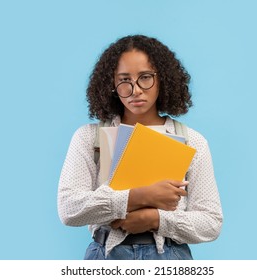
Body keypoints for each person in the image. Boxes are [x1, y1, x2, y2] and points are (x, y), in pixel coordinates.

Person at [57, 35, 223, 260]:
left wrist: (155, 219)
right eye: (124, 79)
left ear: (162, 79)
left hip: (169, 257)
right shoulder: (89, 138)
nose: (135, 89)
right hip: (106, 256)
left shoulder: (193, 141)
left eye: (145, 77)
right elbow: (69, 209)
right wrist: (140, 196)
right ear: (112, 85)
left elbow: (211, 223)